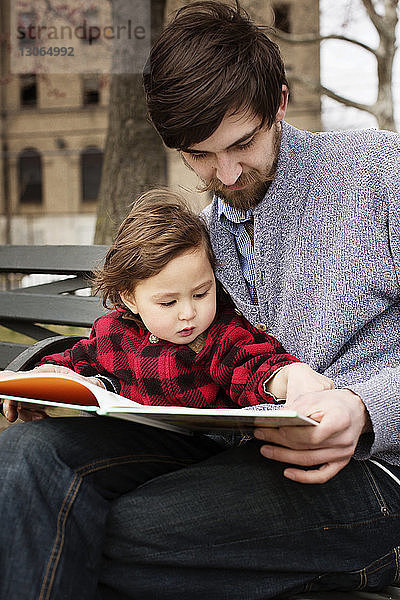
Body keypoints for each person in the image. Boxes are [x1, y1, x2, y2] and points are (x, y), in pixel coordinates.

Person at [0, 2, 399, 599]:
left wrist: (368, 408)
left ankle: (366, 558)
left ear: (280, 104)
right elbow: (142, 342)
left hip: (364, 470)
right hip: (215, 453)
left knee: (83, 528)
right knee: (25, 459)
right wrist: (49, 383)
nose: (228, 172)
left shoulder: (377, 174)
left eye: (242, 143)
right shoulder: (201, 239)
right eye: (200, 155)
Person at [21, 189, 331, 409]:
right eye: (168, 302)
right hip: (135, 442)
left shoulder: (220, 335)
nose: (188, 313)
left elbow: (251, 366)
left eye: (201, 293)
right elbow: (77, 360)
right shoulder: (112, 334)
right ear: (130, 298)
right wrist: (44, 378)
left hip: (205, 454)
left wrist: (289, 379)